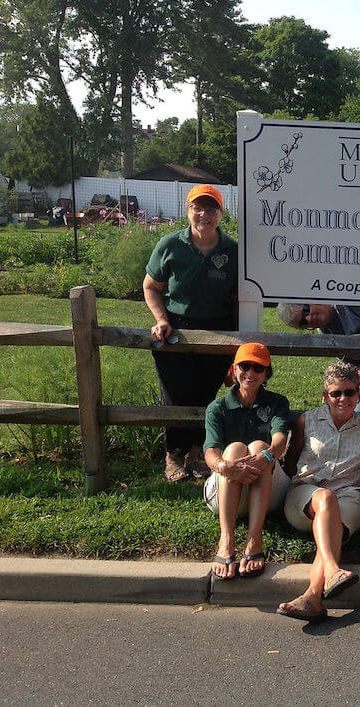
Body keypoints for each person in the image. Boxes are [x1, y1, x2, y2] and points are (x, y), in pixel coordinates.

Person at [143, 184, 237, 482]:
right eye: (198, 207)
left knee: (205, 395)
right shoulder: (170, 244)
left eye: (211, 208)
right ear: (188, 210)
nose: (204, 214)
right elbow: (151, 286)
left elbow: (240, 299)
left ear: (220, 214)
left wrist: (238, 343)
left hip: (218, 331)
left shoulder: (233, 250)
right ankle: (173, 456)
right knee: (175, 393)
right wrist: (161, 319)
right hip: (177, 329)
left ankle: (196, 455)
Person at [276, 361, 360, 622]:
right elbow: (291, 462)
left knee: (332, 514)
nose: (343, 399)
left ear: (358, 394)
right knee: (324, 497)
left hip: (349, 495)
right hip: (307, 494)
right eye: (336, 393)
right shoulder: (307, 420)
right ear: (325, 395)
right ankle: (333, 570)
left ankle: (312, 597)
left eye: (349, 392)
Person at [202, 343, 291, 580]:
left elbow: (280, 441)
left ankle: (254, 539)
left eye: (258, 368)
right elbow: (210, 452)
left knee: (261, 447)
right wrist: (227, 467)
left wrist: (267, 456)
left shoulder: (277, 402)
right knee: (233, 450)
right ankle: (226, 540)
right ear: (233, 369)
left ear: (266, 373)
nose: (250, 373)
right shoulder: (217, 408)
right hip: (224, 492)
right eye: (244, 366)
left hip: (266, 492)